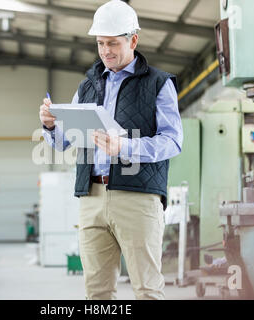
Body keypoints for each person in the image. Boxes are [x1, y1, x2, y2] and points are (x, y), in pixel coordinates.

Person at [39, 0, 183, 300]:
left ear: (133, 40)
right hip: (91, 198)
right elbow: (65, 141)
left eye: (113, 43)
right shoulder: (87, 85)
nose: (106, 51)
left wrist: (125, 146)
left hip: (138, 198)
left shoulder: (158, 83)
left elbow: (172, 141)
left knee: (146, 289)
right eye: (100, 43)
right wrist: (51, 126)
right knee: (97, 292)